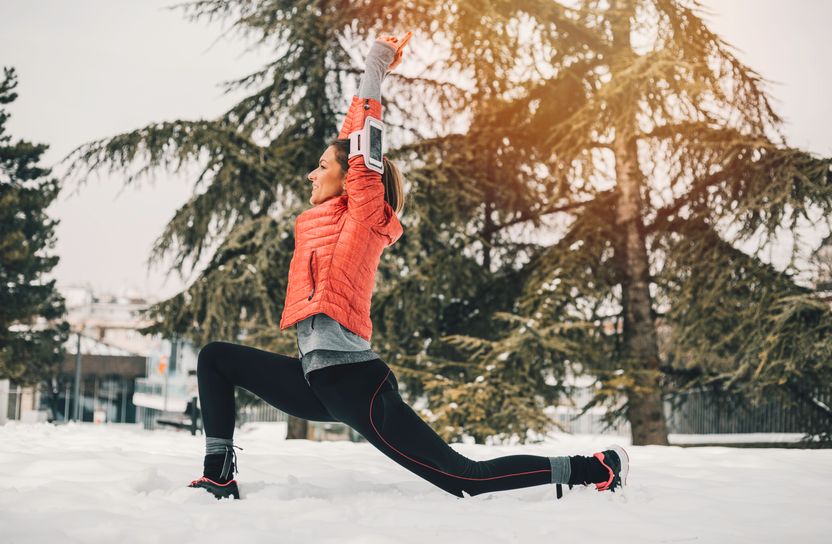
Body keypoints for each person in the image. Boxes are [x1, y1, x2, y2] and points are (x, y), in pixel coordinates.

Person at [188, 32, 629, 501]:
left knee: (462, 478)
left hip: (354, 383)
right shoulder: (329, 219)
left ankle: (593, 469)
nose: (311, 174)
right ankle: (219, 475)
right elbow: (347, 141)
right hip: (314, 378)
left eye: (321, 166)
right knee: (216, 358)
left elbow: (359, 143)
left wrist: (376, 65)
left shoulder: (363, 213)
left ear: (351, 175)